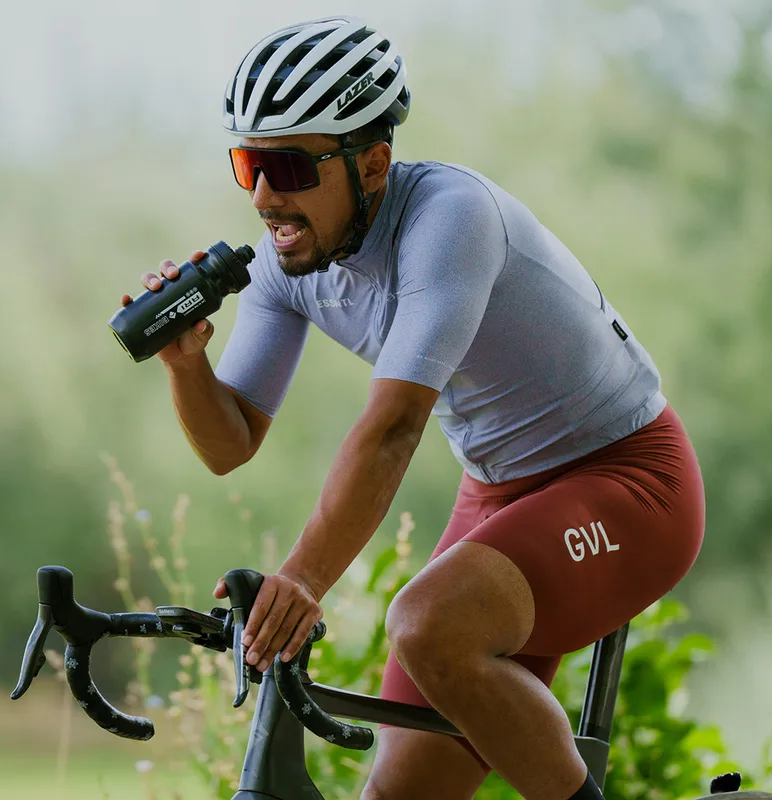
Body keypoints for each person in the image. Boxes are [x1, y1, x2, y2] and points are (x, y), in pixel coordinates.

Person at [119, 16, 704, 800]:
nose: (264, 195)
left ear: (373, 163)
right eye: (249, 163)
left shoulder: (450, 218)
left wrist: (302, 580)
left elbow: (395, 427)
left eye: (288, 164)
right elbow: (231, 444)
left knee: (427, 622)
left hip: (631, 482)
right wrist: (187, 366)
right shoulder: (283, 264)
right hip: (500, 494)